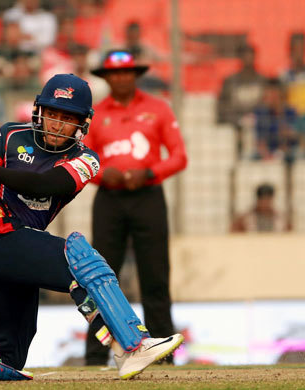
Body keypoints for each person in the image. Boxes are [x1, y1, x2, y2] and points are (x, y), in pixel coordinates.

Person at [0, 73, 183, 384]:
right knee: (79, 256)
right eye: (52, 114)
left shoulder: (86, 159)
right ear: (39, 112)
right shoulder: (8, 136)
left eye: (67, 118)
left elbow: (47, 185)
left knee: (7, 359)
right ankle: (129, 345)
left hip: (20, 250)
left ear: (82, 124)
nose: (57, 124)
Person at [82, 51, 187, 366]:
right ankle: (94, 357)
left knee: (155, 276)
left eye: (127, 72)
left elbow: (179, 156)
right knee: (98, 277)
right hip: (110, 201)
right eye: (115, 74)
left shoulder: (158, 109)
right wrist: (103, 174)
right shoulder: (95, 114)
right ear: (107, 78)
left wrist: (150, 173)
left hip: (148, 196)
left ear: (135, 75)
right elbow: (82, 160)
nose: (121, 78)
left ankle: (164, 355)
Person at [217, 45, 267, 131]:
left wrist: (256, 118)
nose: (248, 59)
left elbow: (268, 105)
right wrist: (238, 120)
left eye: (250, 56)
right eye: (245, 56)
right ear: (240, 58)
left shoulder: (263, 81)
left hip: (260, 126)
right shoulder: (230, 81)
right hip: (235, 126)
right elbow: (222, 106)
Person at [253, 78, 298, 161]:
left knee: (298, 154)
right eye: (269, 96)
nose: (272, 99)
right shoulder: (261, 113)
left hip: (288, 151)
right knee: (251, 156)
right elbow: (260, 140)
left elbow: (296, 135)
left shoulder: (290, 112)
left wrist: (288, 133)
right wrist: (266, 155)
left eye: (275, 96)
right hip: (268, 151)